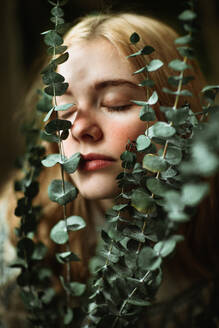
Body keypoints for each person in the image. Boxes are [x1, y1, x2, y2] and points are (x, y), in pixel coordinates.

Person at [1, 12, 219, 328]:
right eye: (64, 109)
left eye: (115, 103)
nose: (80, 129)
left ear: (177, 119)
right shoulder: (22, 234)